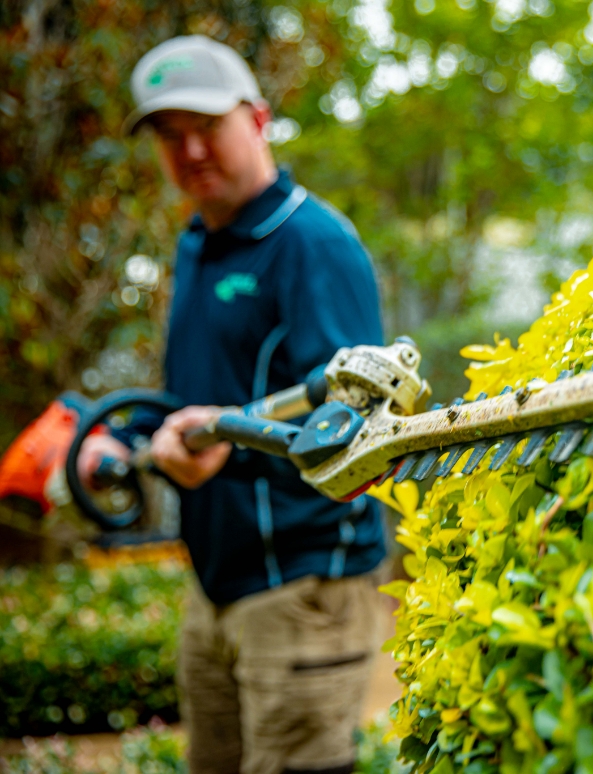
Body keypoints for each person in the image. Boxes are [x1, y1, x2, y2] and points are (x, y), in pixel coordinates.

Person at [77, 35, 387, 774]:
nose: (188, 153)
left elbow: (359, 432)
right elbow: (194, 401)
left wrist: (224, 452)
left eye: (206, 128)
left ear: (257, 118)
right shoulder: (198, 243)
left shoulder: (312, 243)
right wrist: (120, 441)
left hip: (302, 589)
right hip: (214, 586)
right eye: (168, 137)